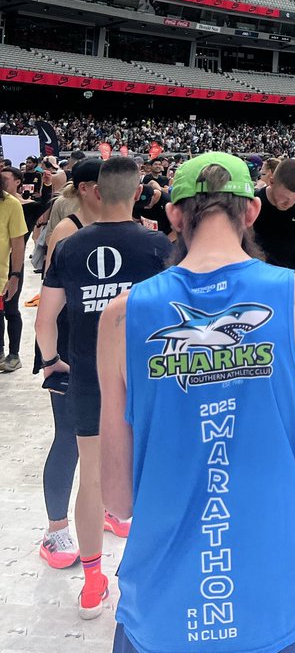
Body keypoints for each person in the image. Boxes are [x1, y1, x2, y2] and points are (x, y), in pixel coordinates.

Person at [97, 152, 295, 653]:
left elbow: (118, 498)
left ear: (173, 214)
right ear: (251, 211)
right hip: (280, 599)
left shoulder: (121, 318)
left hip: (164, 609)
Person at [36, 156, 169, 619]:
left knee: (89, 475)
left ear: (98, 191)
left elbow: (44, 319)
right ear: (137, 193)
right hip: (147, 377)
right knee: (154, 472)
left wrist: (52, 361)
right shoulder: (157, 245)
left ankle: (93, 582)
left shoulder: (70, 246)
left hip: (89, 376)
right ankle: (148, 579)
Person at [34, 157, 103, 570]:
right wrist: (50, 358)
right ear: (88, 188)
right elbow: (52, 300)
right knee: (69, 439)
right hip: (67, 350)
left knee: (107, 435)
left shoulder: (111, 228)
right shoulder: (67, 230)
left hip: (100, 348)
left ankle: (103, 510)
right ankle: (55, 529)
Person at [0, 167, 29, 372]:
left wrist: (15, 275)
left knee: (10, 311)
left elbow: (18, 244)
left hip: (5, 274)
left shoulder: (11, 205)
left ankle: (13, 354)